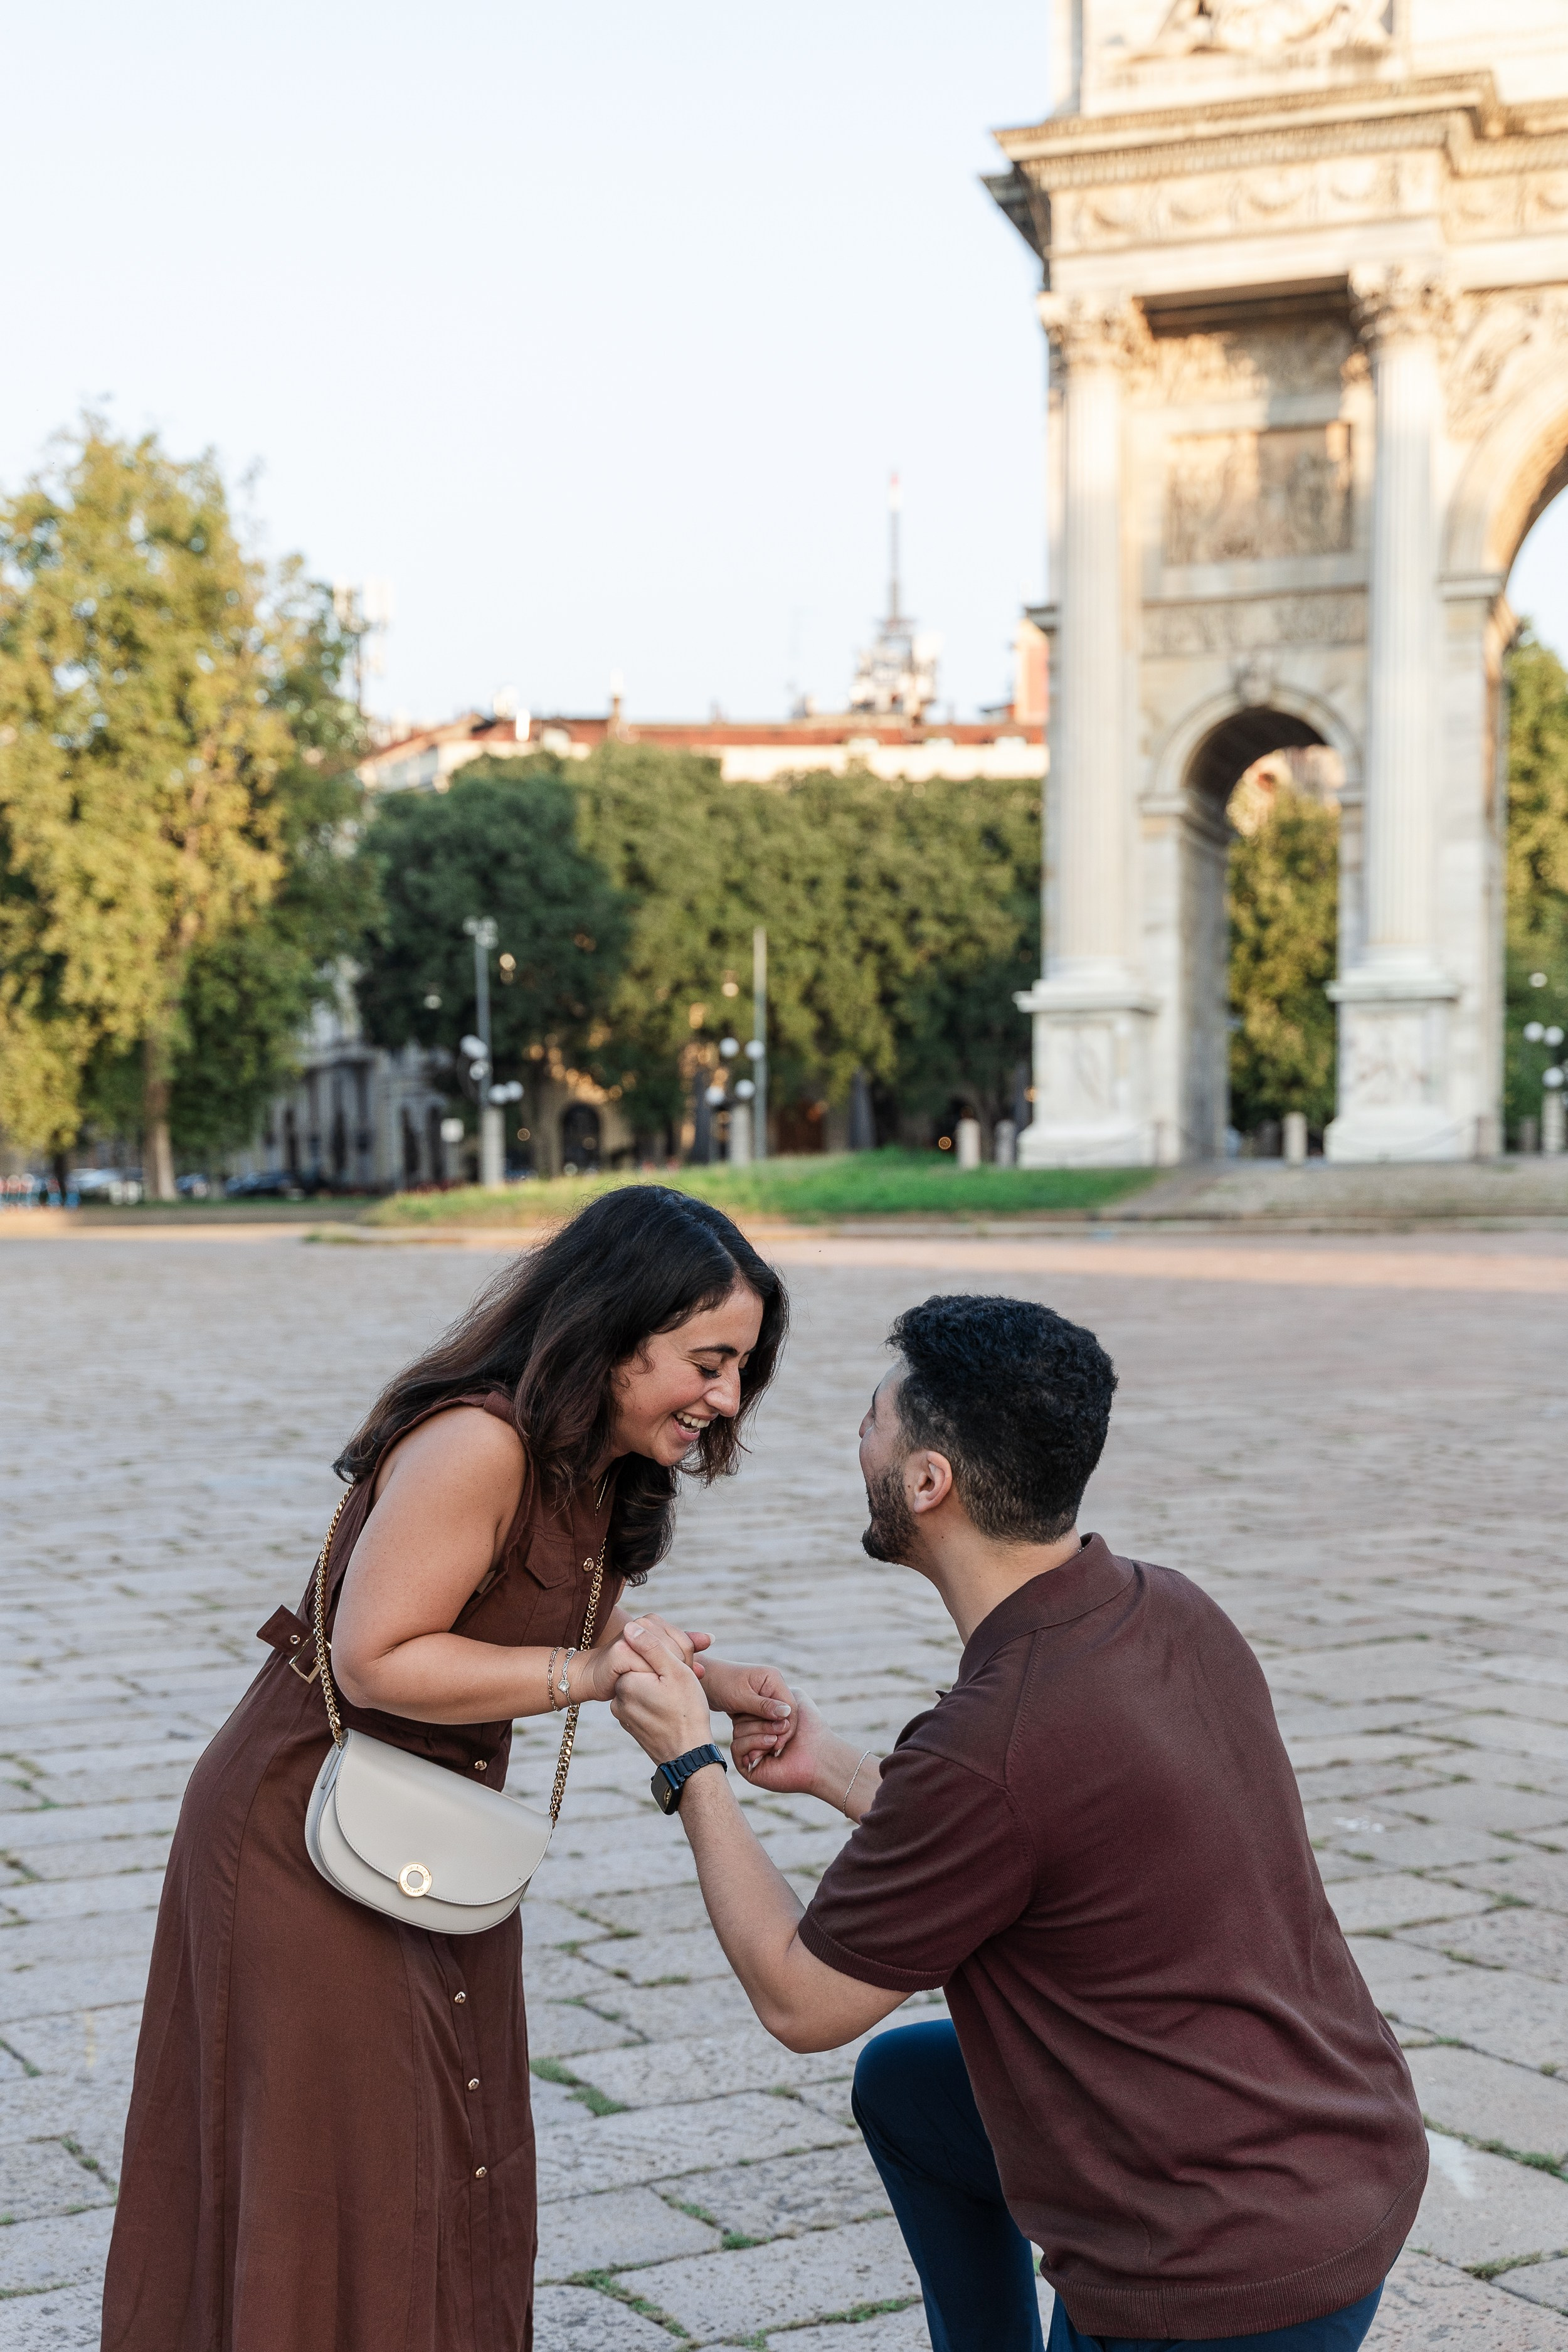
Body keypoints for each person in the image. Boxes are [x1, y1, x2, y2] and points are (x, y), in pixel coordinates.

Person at [610, 1291, 1429, 2352]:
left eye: (873, 1420)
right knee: (913, 2089)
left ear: (927, 1482)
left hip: (1219, 2275)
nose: (857, 1441)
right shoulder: (1167, 1604)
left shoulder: (990, 1740)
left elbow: (799, 1998)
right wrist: (835, 1769)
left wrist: (690, 1761)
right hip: (1348, 2157)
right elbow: (1042, 1836)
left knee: (871, 2052)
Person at [102, 1186, 793, 2352]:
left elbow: (517, 1639)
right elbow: (375, 1658)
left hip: (426, 1830)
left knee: (445, 2150)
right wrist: (588, 1672)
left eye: (743, 1369)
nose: (726, 1397)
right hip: (303, 1832)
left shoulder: (596, 1462)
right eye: (710, 1360)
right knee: (342, 2174)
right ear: (615, 1331)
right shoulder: (479, 1440)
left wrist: (682, 1674)